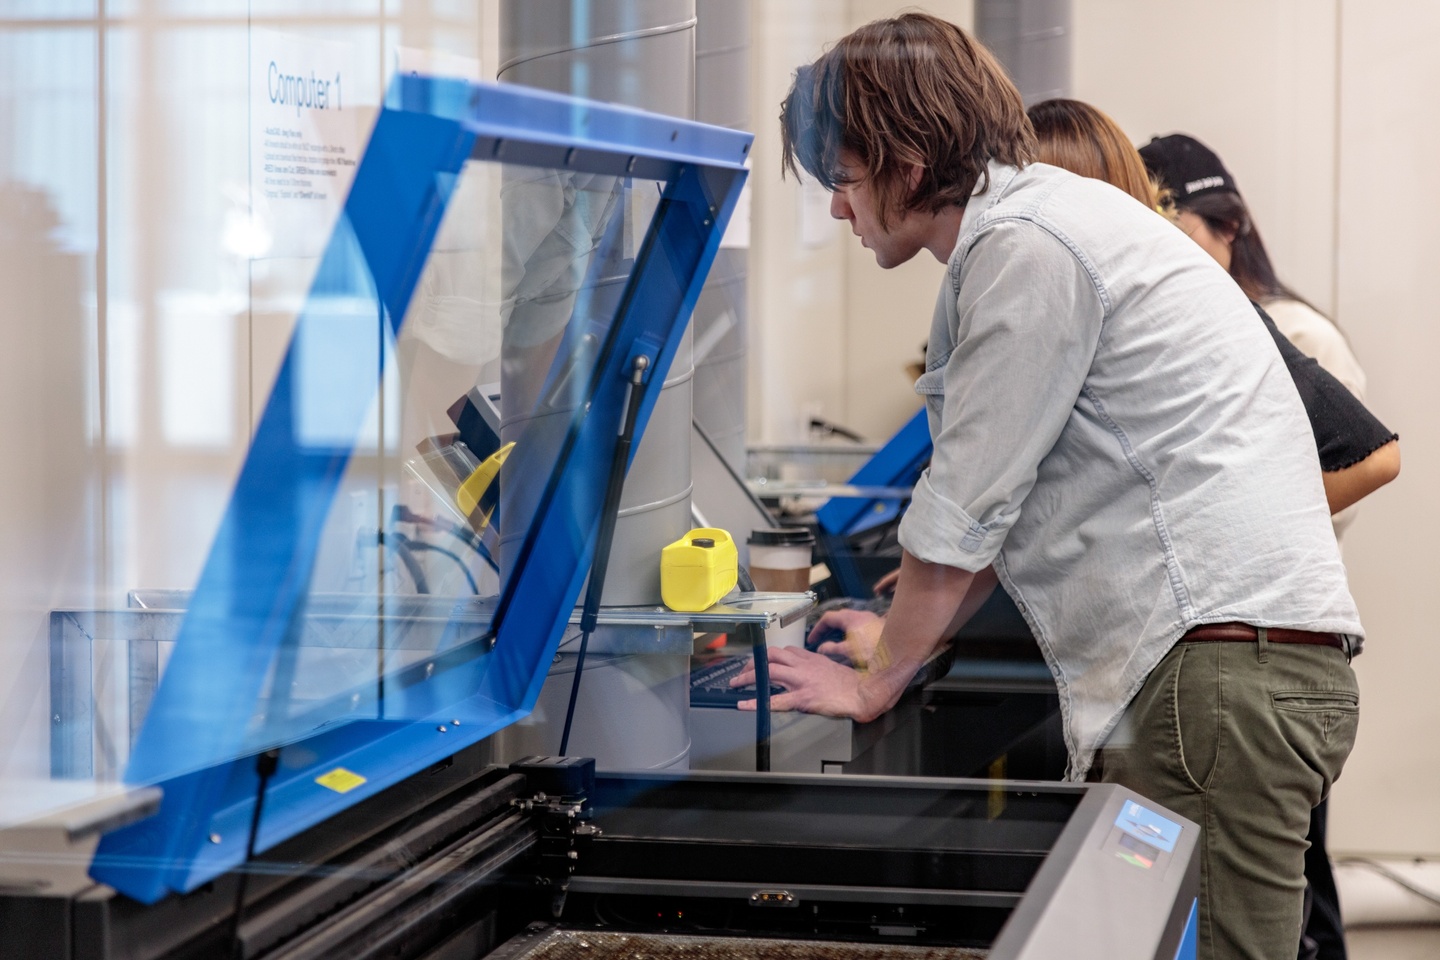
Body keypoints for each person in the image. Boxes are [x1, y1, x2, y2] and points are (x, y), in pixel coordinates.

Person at [736, 15, 1363, 960]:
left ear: (907, 164)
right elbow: (1001, 517)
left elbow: (962, 512)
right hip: (1223, 680)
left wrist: (877, 683)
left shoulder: (1028, 245)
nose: (836, 209)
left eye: (844, 177)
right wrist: (901, 637)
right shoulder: (1044, 228)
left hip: (1220, 686)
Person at [1138, 131, 1394, 960]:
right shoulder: (1178, 327)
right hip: (1220, 649)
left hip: (1267, 641)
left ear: (1230, 226)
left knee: (1290, 905)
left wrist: (1229, 513)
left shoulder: (1291, 335)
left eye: (1176, 228)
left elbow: (1363, 464)